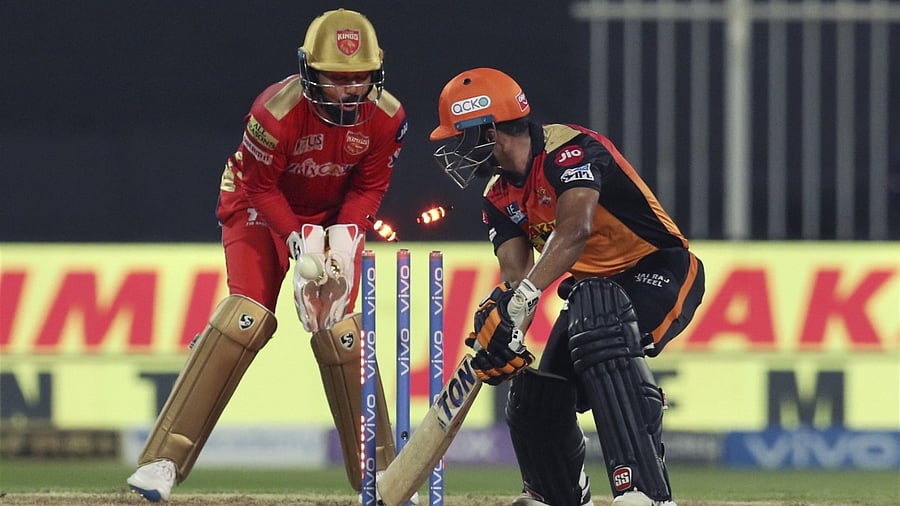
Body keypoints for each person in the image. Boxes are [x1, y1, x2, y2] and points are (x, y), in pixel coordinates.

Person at [126, 9, 408, 502]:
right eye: (336, 79)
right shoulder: (273, 113)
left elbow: (369, 186)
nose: (348, 90)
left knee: (340, 329)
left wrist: (343, 239)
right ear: (309, 70)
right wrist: (296, 240)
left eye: (359, 78)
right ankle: (161, 461)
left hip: (329, 215)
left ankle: (380, 475)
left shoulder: (389, 117)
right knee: (247, 318)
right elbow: (259, 185)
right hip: (259, 206)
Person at [430, 68, 705, 506]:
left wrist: (523, 297)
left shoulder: (570, 150)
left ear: (490, 129)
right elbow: (516, 278)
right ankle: (555, 496)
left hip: (661, 269)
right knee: (535, 396)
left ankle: (645, 493)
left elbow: (575, 230)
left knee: (600, 319)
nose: (456, 150)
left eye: (461, 137)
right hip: (594, 292)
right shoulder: (497, 195)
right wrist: (505, 323)